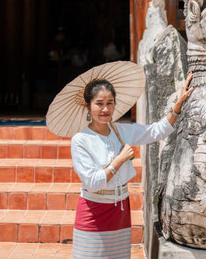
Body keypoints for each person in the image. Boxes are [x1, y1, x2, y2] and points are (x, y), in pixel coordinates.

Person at [71, 71, 194, 259]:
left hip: (119, 209)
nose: (105, 109)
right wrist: (120, 159)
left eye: (110, 103)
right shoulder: (81, 140)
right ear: (88, 106)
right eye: (99, 104)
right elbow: (93, 182)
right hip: (94, 212)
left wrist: (178, 104)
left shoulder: (120, 131)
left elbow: (156, 132)